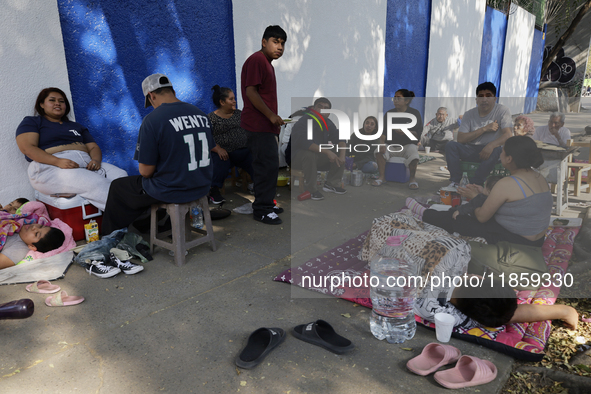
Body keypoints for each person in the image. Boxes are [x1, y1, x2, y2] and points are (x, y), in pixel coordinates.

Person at [102, 74, 214, 236]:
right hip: (202, 186)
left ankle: (110, 239)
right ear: (173, 91)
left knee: (119, 187)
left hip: (173, 190)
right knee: (143, 186)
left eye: (151, 102)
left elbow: (145, 171)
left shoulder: (153, 120)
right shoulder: (200, 114)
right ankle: (151, 224)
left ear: (151, 95)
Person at [423, 136, 552, 247]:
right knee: (460, 212)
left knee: (455, 218)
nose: (500, 154)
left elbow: (481, 217)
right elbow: (518, 207)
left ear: (509, 159)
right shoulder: (539, 177)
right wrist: (481, 195)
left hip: (517, 241)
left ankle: (424, 213)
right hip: (537, 240)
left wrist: (474, 197)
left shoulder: (508, 183)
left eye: (503, 151)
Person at [15, 88, 128, 211]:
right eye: (52, 100)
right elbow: (27, 148)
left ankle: (126, 214)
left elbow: (93, 147)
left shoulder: (76, 126)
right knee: (93, 182)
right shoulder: (32, 121)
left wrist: (95, 160)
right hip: (50, 167)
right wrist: (57, 161)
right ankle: (129, 215)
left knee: (120, 175)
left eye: (61, 101)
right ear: (41, 104)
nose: (57, 103)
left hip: (86, 165)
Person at [241, 25, 287, 225]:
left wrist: (273, 118)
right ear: (264, 42)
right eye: (275, 41)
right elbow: (251, 92)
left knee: (270, 167)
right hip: (258, 125)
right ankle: (261, 209)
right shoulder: (257, 60)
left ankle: (267, 203)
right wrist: (270, 115)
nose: (280, 47)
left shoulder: (267, 63)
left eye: (283, 43)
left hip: (266, 125)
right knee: (264, 167)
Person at [445, 82, 513, 187]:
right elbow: (461, 139)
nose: (484, 99)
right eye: (480, 96)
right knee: (450, 145)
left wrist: (490, 145)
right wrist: (484, 129)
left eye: (488, 96)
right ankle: (456, 182)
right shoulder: (469, 114)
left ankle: (475, 183)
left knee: (498, 150)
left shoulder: (502, 111)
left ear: (495, 98)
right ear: (476, 99)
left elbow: (508, 135)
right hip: (471, 150)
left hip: (493, 153)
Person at [291, 98, 347, 200]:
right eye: (320, 106)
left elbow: (340, 138)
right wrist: (327, 152)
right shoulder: (304, 121)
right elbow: (305, 143)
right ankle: (311, 190)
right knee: (309, 153)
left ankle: (331, 184)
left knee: (339, 149)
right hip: (297, 159)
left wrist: (342, 155)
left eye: (326, 108)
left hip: (316, 158)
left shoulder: (328, 123)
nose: (322, 110)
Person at [208, 85, 254, 204]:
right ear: (222, 102)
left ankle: (259, 186)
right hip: (224, 153)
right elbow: (206, 138)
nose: (234, 101)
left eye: (234, 98)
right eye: (231, 99)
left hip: (243, 151)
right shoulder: (211, 119)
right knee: (219, 163)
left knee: (256, 160)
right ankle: (214, 191)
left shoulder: (239, 114)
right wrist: (217, 148)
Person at [372, 89, 424, 189]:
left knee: (414, 154)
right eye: (394, 98)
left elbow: (417, 135)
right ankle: (382, 177)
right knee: (378, 151)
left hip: (407, 146)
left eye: (398, 98)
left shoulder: (414, 113)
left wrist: (405, 131)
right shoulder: (389, 114)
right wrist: (382, 144)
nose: (395, 100)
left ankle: (412, 179)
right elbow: (383, 133)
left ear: (407, 101)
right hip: (391, 146)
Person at [0, 223, 65, 269]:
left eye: (36, 234)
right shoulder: (20, 223)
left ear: (32, 246)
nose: (34, 227)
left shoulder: (19, 249)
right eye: (41, 226)